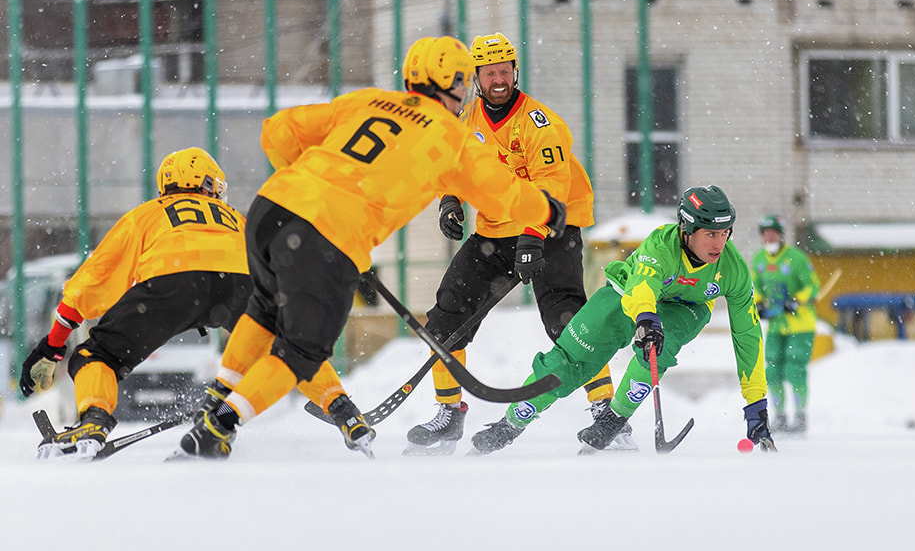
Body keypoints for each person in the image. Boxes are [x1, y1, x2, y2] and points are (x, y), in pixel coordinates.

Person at [172, 35, 567, 459]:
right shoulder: (452, 136)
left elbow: (278, 130)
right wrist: (548, 211)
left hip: (272, 209)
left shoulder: (369, 101)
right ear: (453, 83)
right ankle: (220, 424)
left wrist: (310, 190)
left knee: (265, 311)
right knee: (301, 352)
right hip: (326, 235)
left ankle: (216, 398)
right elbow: (503, 193)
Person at [405, 32, 624, 455]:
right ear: (477, 77)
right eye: (489, 73)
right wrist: (449, 202)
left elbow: (553, 185)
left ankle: (605, 414)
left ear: (515, 71)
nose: (498, 79)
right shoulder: (466, 120)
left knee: (569, 322)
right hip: (495, 230)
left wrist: (532, 236)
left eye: (505, 70)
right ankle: (449, 415)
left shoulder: (541, 123)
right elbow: (451, 165)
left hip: (552, 228)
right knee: (447, 313)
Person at [469, 185, 774, 454]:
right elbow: (641, 288)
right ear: (687, 229)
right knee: (572, 357)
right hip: (628, 294)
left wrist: (756, 405)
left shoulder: (733, 269)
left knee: (659, 347)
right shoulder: (661, 246)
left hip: (685, 308)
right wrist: (645, 319)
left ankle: (613, 420)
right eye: (710, 234)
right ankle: (511, 423)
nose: (719, 244)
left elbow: (747, 334)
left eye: (725, 233)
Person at [18, 148, 253, 460]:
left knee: (96, 354)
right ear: (208, 185)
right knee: (289, 352)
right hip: (239, 281)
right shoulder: (237, 218)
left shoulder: (150, 213)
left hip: (174, 281)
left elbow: (93, 279)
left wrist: (53, 343)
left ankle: (94, 421)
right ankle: (339, 408)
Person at [750, 214, 820, 435]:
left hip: (800, 325)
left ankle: (800, 417)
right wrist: (759, 304)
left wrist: (797, 300)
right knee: (772, 370)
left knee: (794, 368)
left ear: (780, 235)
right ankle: (779, 417)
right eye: (765, 232)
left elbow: (812, 285)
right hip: (775, 325)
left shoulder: (796, 258)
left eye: (773, 232)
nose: (769, 236)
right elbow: (755, 286)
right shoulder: (759, 260)